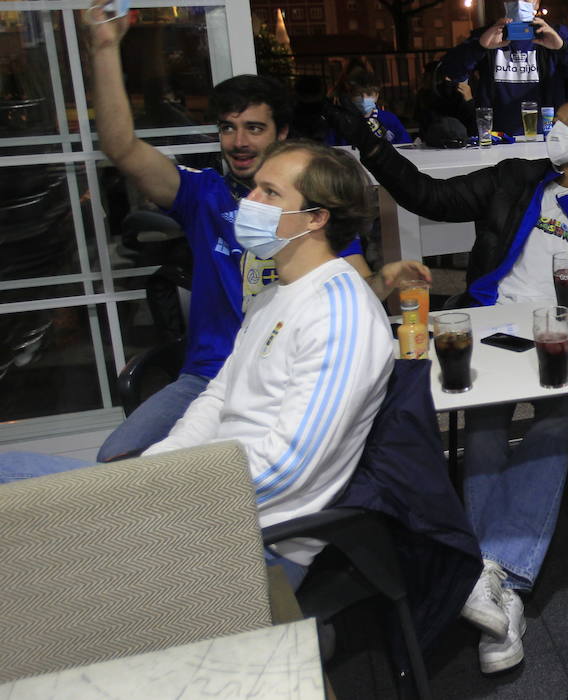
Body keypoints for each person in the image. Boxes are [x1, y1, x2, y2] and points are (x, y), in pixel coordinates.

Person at [327, 93, 568, 675]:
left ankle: (495, 578)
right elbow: (427, 195)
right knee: (483, 427)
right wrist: (373, 146)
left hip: (562, 333)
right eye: (558, 119)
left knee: (554, 424)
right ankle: (493, 580)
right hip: (490, 322)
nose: (557, 130)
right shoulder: (513, 179)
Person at [0, 140, 396, 588]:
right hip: (201, 499)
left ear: (316, 218)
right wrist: (156, 469)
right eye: (253, 190)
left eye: (270, 193)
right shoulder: (272, 295)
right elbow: (218, 395)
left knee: (14, 492)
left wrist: (163, 496)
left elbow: (287, 467)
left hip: (251, 536)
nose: (248, 202)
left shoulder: (340, 314)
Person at [84, 0, 403, 464]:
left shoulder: (307, 213)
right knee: (116, 460)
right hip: (207, 378)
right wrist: (105, 48)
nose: (239, 142)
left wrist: (386, 281)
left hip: (279, 377)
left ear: (281, 133)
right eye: (228, 128)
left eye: (254, 128)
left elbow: (352, 291)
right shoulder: (202, 194)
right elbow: (121, 146)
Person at [439, 0, 568, 135]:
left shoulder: (553, 34)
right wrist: (479, 47)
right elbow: (450, 71)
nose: (519, 3)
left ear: (537, 2)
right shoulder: (490, 35)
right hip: (497, 138)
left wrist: (563, 48)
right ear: (502, 2)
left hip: (546, 137)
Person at [325, 64, 412, 146]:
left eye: (369, 94)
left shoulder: (389, 119)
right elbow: (331, 149)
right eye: (358, 94)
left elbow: (405, 143)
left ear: (377, 96)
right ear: (350, 96)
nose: (364, 98)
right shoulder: (341, 121)